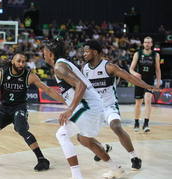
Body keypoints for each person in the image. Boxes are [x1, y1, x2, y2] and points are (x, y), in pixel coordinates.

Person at [0, 53, 65, 171]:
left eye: (23, 61)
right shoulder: (1, 75)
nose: (21, 64)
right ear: (12, 62)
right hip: (5, 108)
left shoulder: (29, 76)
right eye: (19, 61)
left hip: (19, 108)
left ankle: (42, 159)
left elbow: (47, 90)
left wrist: (66, 101)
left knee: (21, 129)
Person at [43, 39, 124, 179]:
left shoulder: (59, 67)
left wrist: (70, 110)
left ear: (50, 54)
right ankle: (116, 169)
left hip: (88, 105)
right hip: (92, 104)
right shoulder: (62, 64)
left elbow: (81, 85)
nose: (43, 55)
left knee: (61, 135)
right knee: (85, 140)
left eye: (44, 52)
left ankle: (76, 176)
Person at [82, 40, 159, 170]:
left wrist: (148, 86)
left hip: (109, 106)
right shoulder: (84, 69)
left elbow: (130, 78)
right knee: (83, 136)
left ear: (95, 52)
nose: (83, 54)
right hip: (94, 108)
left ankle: (134, 157)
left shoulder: (109, 67)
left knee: (116, 127)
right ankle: (103, 148)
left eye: (86, 51)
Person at [129, 36, 161, 132]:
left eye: (149, 42)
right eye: (145, 42)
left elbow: (158, 70)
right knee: (138, 103)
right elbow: (130, 69)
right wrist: (135, 73)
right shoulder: (137, 54)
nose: (147, 44)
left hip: (150, 81)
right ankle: (136, 122)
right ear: (143, 43)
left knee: (148, 100)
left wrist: (158, 82)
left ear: (151, 44)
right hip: (139, 81)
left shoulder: (156, 55)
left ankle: (146, 124)